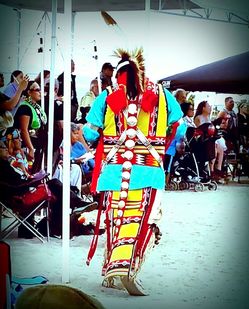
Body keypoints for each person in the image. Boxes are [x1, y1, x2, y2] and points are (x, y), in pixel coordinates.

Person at [83, 48, 183, 295]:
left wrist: (107, 136)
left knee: (116, 220)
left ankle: (111, 271)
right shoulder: (161, 95)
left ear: (118, 75)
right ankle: (129, 270)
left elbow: (88, 132)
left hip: (114, 172)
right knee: (143, 222)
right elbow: (179, 128)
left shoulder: (107, 96)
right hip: (148, 171)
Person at [13, 81, 47, 173]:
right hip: (26, 146)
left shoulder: (37, 106)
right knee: (30, 171)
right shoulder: (25, 108)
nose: (40, 92)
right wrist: (31, 148)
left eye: (41, 90)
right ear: (29, 92)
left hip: (37, 143)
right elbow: (24, 130)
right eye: (37, 90)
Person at [194, 101, 224, 180]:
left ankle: (218, 168)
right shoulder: (198, 118)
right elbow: (200, 130)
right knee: (213, 147)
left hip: (210, 139)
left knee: (220, 149)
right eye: (208, 106)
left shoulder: (208, 118)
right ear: (203, 108)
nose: (210, 108)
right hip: (202, 141)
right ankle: (211, 170)